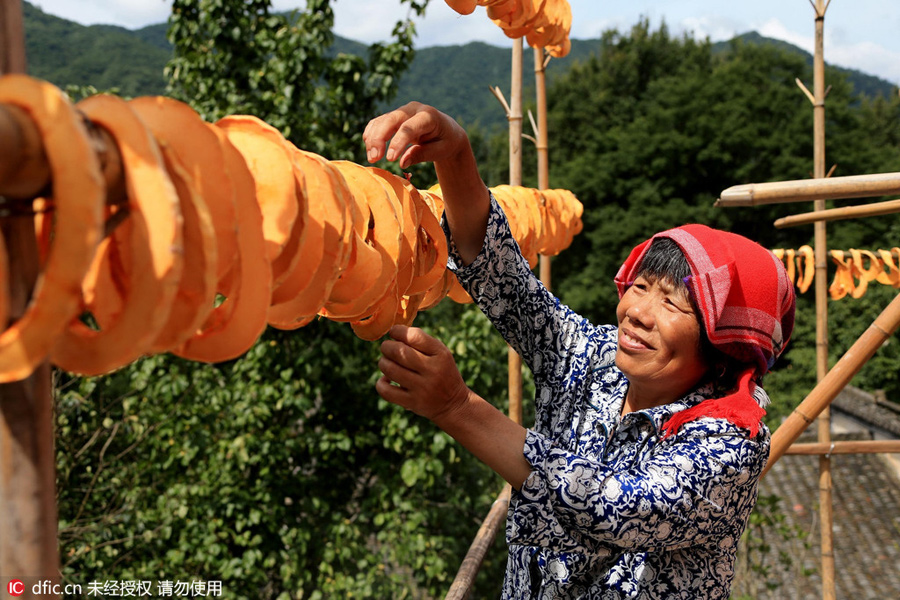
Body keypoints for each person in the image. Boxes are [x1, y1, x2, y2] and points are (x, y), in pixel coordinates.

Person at [365, 102, 795, 599]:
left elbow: (607, 504)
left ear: (723, 347)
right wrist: (457, 155)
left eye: (673, 303)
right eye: (639, 285)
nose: (638, 311)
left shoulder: (729, 445)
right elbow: (505, 280)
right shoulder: (594, 362)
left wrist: (456, 408)